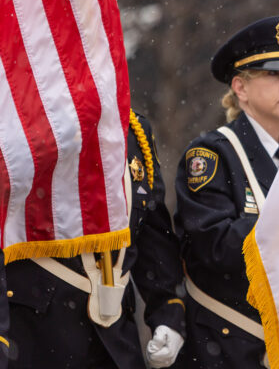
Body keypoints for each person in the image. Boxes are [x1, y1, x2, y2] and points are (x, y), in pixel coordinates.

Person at [174, 16, 279, 368]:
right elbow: (214, 248)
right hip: (228, 344)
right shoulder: (212, 154)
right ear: (240, 88)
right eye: (274, 74)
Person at [6, 111, 186, 368]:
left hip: (115, 342)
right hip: (33, 338)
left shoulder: (133, 127)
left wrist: (168, 311)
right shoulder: (17, 112)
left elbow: (150, 233)